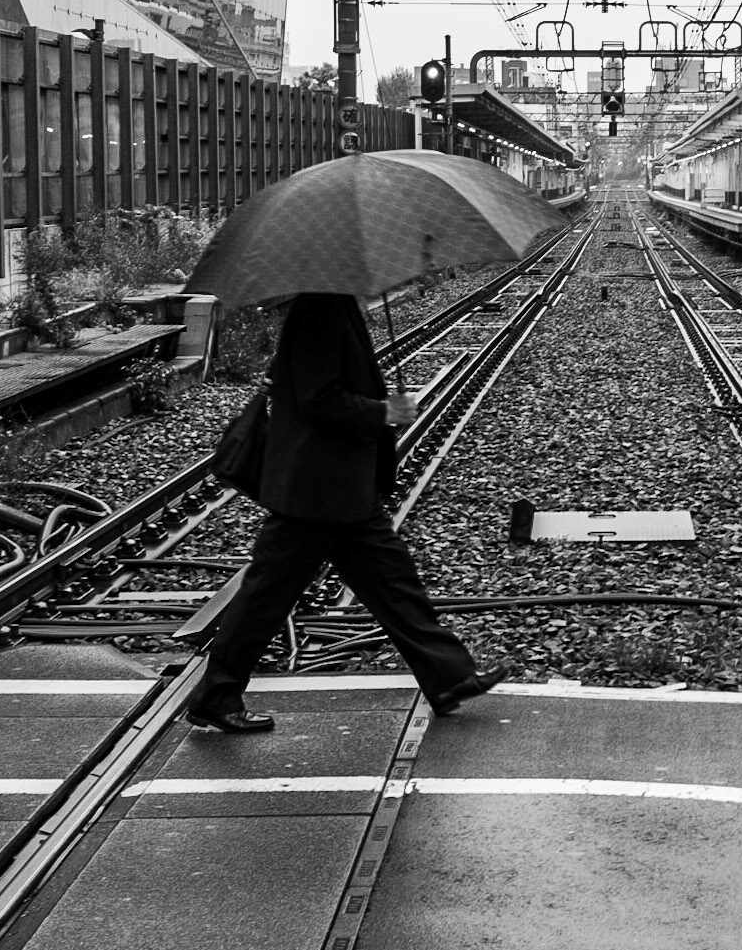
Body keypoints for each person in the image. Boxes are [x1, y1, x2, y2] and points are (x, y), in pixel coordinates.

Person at [186, 292, 506, 734]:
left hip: (342, 491)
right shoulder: (320, 306)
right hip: (315, 491)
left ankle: (449, 679)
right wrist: (383, 411)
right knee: (265, 598)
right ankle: (214, 696)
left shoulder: (333, 301)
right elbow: (319, 397)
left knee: (395, 585)